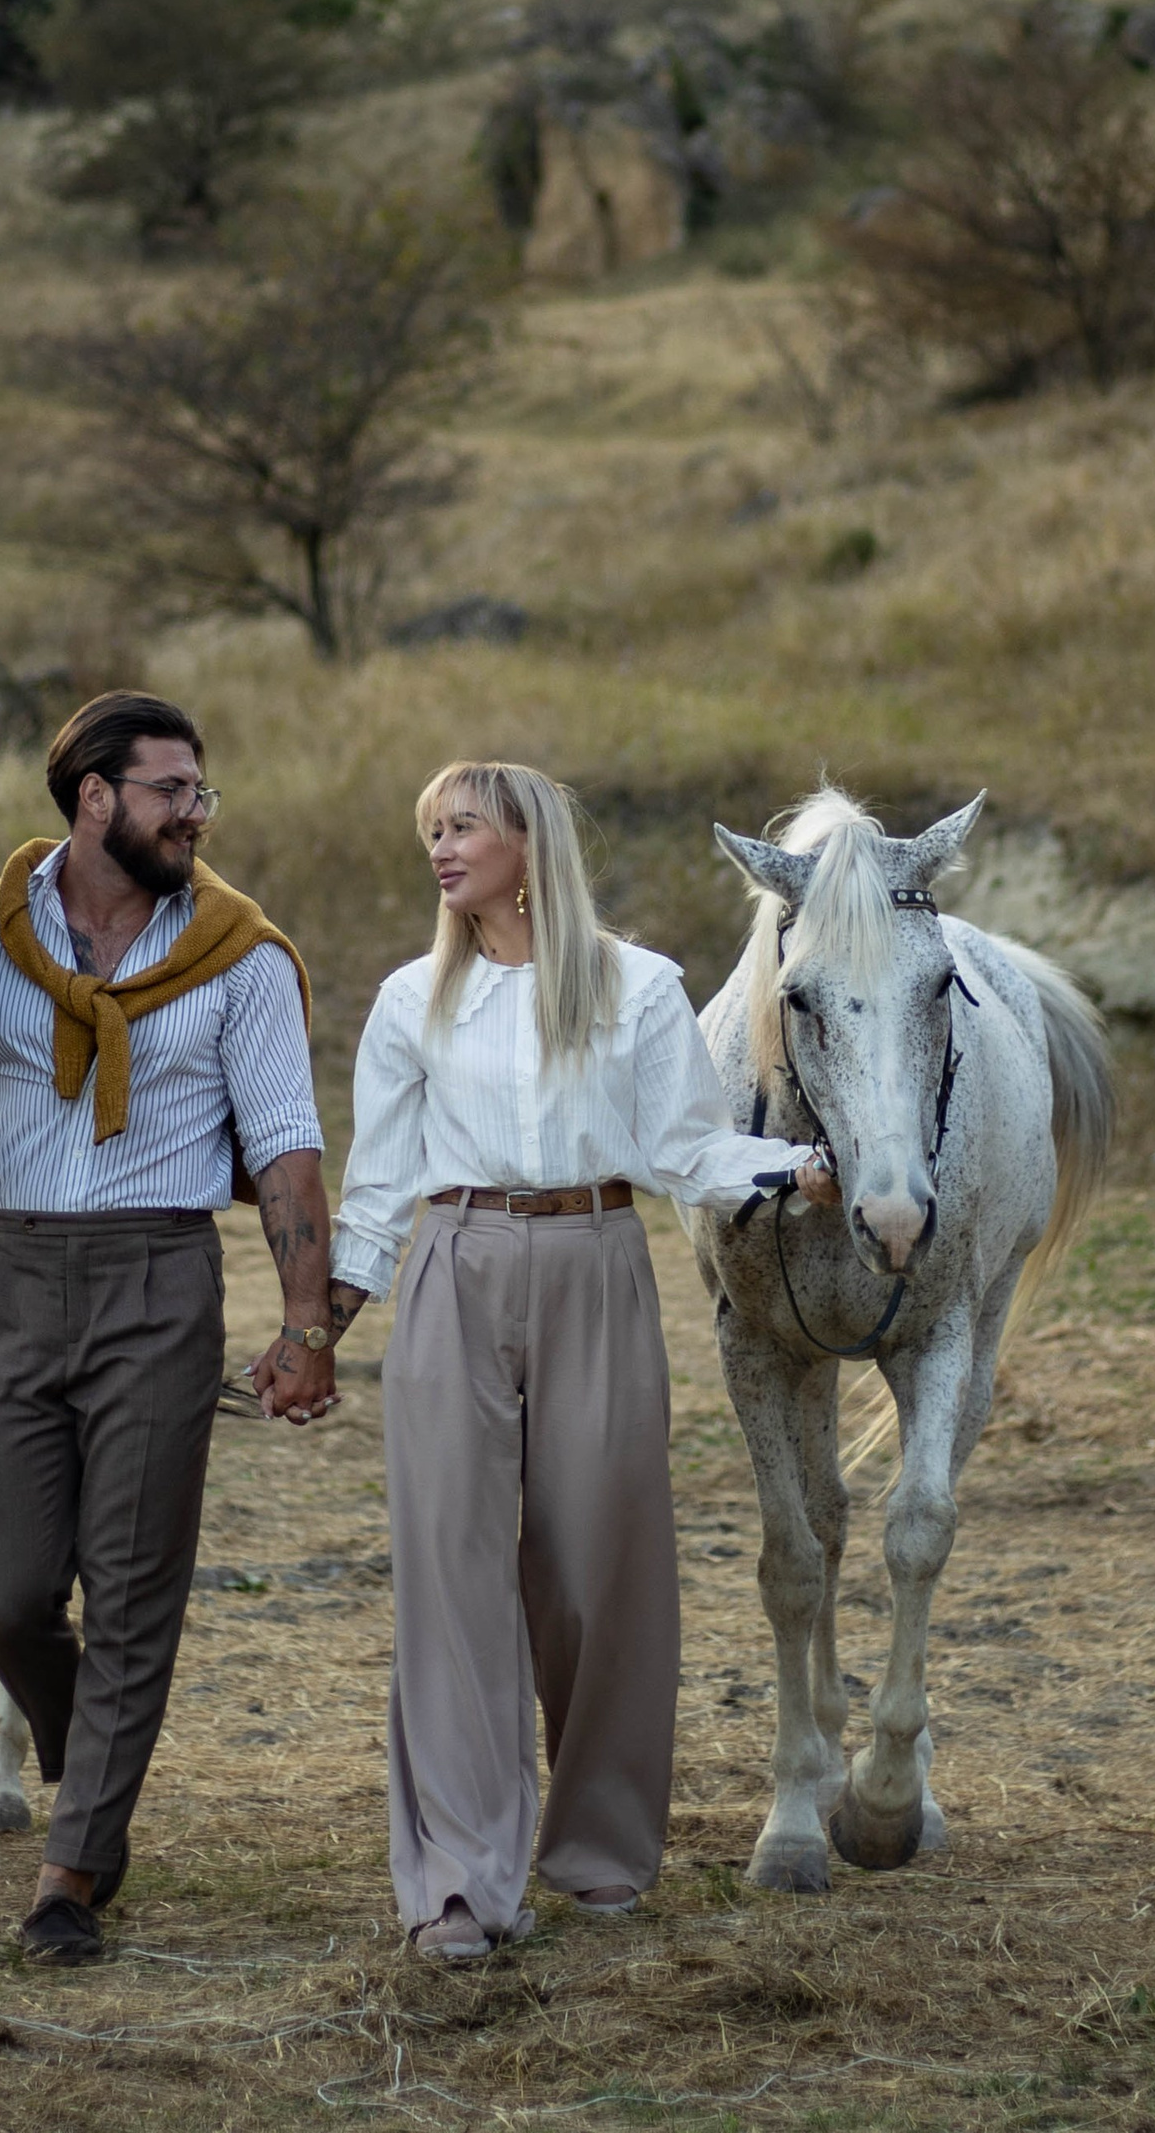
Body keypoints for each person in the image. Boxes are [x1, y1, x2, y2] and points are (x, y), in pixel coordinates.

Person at [0, 689, 336, 1966]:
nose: (195, 813)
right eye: (172, 789)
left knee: (131, 1596)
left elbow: (283, 1147)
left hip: (158, 1283)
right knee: (4, 1600)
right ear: (95, 795)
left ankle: (72, 1870)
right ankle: (92, 1749)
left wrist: (305, 1321)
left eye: (200, 791)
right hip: (4, 1283)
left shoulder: (241, 955)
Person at [320, 760, 839, 1961]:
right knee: (449, 1572)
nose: (440, 849)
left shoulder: (639, 985)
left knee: (599, 1565)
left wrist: (792, 1169)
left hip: (599, 1255)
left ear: (525, 840)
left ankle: (600, 1853)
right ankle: (458, 1882)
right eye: (429, 829)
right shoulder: (412, 997)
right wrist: (319, 1327)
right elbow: (380, 1178)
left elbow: (686, 1148)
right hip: (453, 1264)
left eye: (460, 827)